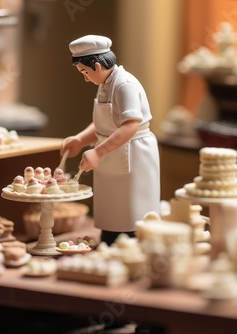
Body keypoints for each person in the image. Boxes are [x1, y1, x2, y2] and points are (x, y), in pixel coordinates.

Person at [61, 34, 161, 246]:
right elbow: (103, 123)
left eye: (85, 72)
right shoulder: (105, 83)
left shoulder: (125, 85)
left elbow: (131, 125)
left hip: (134, 153)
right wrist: (80, 140)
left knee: (131, 205)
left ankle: (132, 242)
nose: (85, 78)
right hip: (110, 152)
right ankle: (110, 236)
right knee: (111, 203)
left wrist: (98, 151)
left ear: (97, 66)